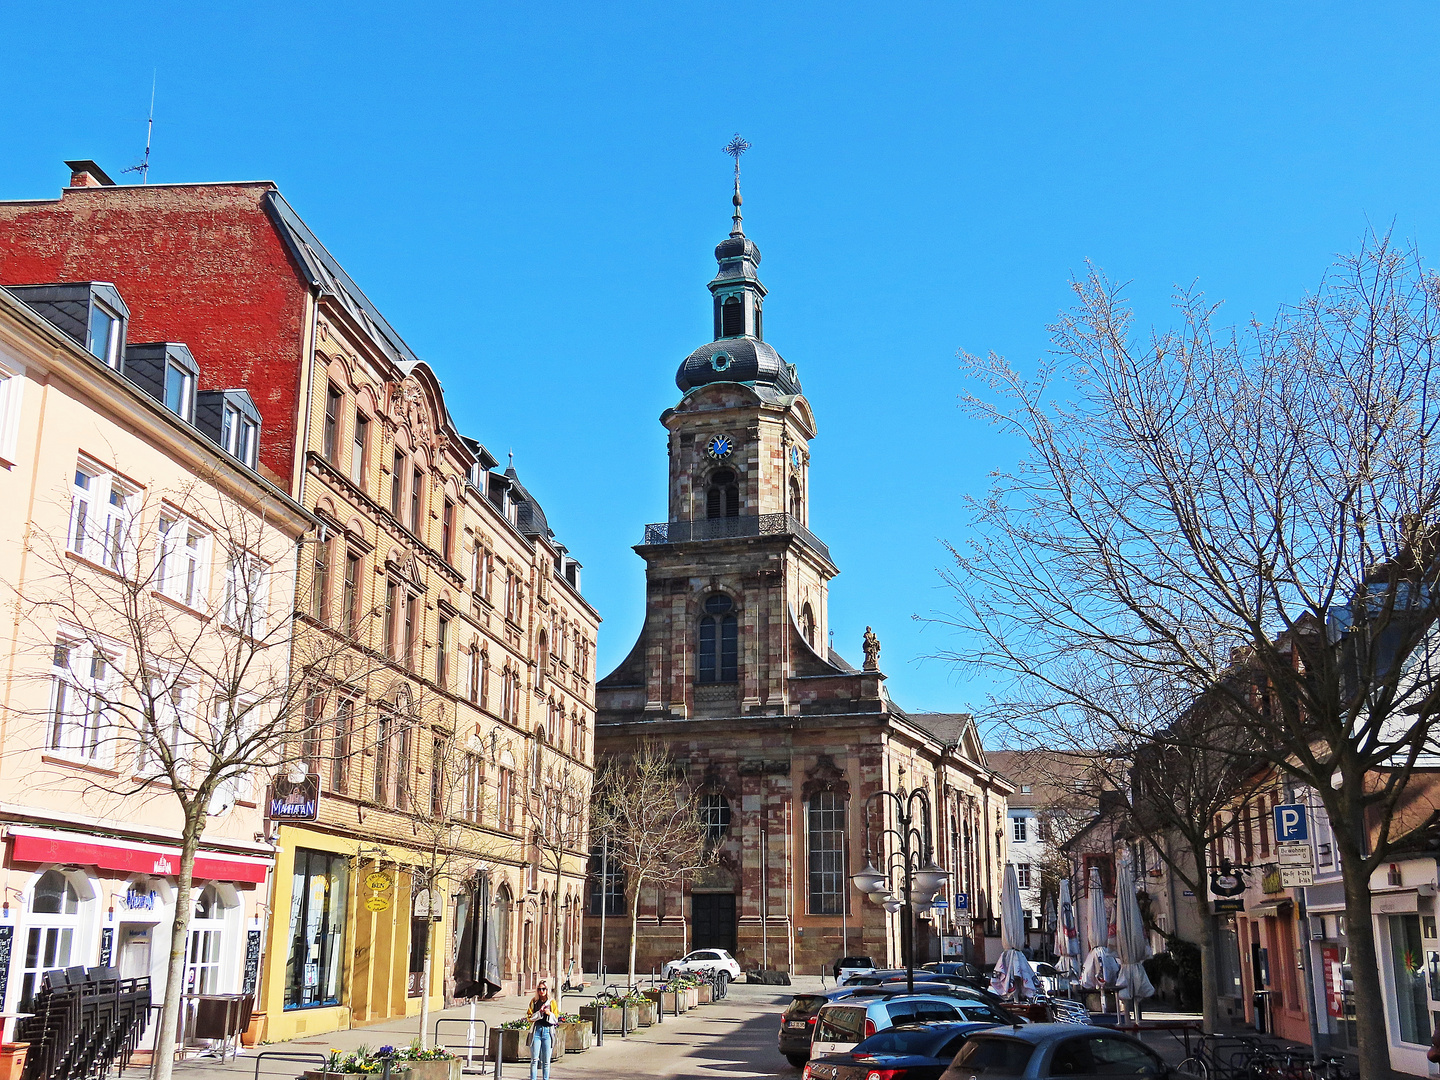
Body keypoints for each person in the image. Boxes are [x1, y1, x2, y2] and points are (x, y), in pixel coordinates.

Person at [526, 979, 561, 1080]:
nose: (541, 991)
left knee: (546, 1061)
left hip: (547, 1031)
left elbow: (555, 1019)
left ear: (547, 990)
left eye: (543, 989)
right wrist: (539, 1013)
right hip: (536, 1031)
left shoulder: (552, 1002)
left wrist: (549, 1013)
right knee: (534, 1059)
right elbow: (529, 1017)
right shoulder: (534, 1001)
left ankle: (545, 1078)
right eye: (539, 989)